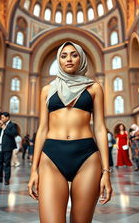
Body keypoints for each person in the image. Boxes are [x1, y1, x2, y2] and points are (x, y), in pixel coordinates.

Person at [27, 41, 112, 222]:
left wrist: (106, 172)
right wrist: (34, 170)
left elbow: (99, 128)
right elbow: (42, 129)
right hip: (51, 156)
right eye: (63, 56)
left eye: (74, 55)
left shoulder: (94, 88)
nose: (69, 59)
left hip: (87, 157)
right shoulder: (47, 90)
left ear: (81, 58)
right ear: (59, 60)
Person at [0, 112, 18, 185]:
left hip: (8, 147)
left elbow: (14, 134)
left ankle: (6, 180)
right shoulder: (1, 125)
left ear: (7, 117)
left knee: (7, 164)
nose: (1, 119)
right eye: (1, 117)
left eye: (2, 117)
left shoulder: (12, 125)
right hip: (0, 146)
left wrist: (5, 128)